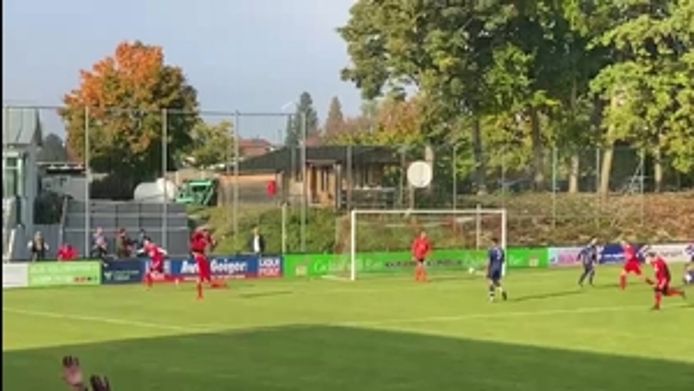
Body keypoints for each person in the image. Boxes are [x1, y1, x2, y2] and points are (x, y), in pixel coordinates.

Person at [190, 228, 225, 300]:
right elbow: (194, 237)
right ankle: (201, 290)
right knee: (202, 271)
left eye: (207, 233)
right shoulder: (199, 236)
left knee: (206, 270)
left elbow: (212, 243)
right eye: (205, 232)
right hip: (198, 255)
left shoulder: (207, 239)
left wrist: (217, 241)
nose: (206, 234)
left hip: (202, 255)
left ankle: (207, 283)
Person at [487, 238, 508, 302]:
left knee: (490, 282)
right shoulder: (501, 250)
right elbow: (503, 260)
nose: (491, 244)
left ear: (494, 242)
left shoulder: (491, 250)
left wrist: (487, 270)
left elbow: (489, 261)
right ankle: (502, 291)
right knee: (495, 281)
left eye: (491, 243)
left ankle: (491, 298)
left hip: (493, 268)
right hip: (499, 268)